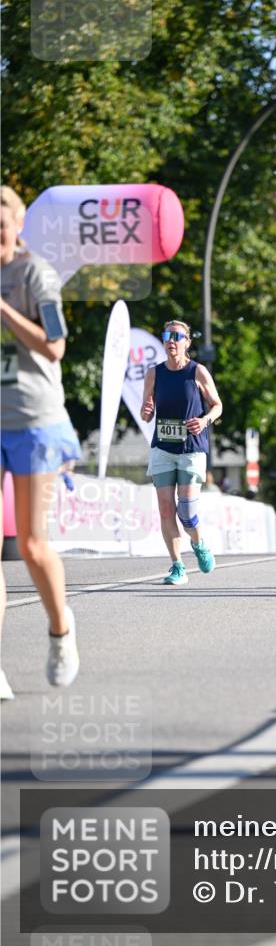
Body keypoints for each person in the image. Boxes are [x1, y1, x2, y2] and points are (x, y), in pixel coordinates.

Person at [1, 185, 82, 698]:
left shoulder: (35, 275)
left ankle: (60, 631)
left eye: (0, 219)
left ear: (18, 222)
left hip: (33, 421)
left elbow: (55, 345)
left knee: (30, 546)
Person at [141, 320, 222, 585]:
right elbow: (147, 409)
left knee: (186, 511)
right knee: (166, 509)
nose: (171, 340)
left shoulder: (197, 371)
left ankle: (198, 543)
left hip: (191, 449)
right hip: (163, 447)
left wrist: (205, 420)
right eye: (167, 335)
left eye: (177, 336)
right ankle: (177, 567)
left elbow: (217, 405)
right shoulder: (154, 373)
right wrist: (146, 411)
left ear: (187, 342)